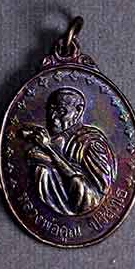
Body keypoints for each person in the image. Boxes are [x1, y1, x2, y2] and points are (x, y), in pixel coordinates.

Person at [24, 87, 117, 216]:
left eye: (62, 111)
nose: (53, 117)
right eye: (51, 110)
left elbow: (95, 194)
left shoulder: (90, 142)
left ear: (78, 111)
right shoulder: (57, 139)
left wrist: (48, 150)